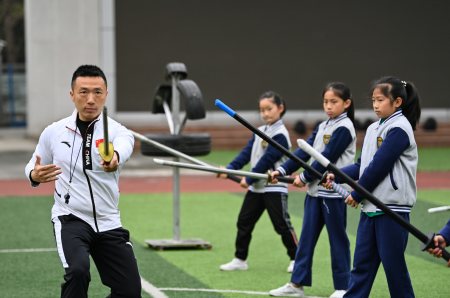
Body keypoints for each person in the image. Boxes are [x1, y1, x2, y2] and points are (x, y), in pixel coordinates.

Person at [25, 65, 141, 297]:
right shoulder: (54, 132)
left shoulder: (119, 132)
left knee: (129, 291)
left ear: (106, 94)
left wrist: (115, 158)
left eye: (97, 92)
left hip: (108, 221)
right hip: (70, 218)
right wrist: (34, 175)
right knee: (78, 272)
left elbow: (123, 148)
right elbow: (33, 164)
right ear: (72, 95)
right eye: (83, 92)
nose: (90, 99)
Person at [324, 76, 421, 297]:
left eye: (380, 100)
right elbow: (362, 166)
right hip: (371, 208)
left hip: (392, 209)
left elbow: (379, 167)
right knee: (361, 268)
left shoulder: (400, 128)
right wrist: (335, 176)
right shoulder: (373, 128)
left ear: (397, 102)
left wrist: (357, 194)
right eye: (373, 100)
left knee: (394, 269)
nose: (375, 105)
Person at [269, 82, 356, 298]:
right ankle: (296, 284)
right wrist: (281, 169)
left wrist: (304, 176)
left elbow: (326, 159)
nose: (328, 106)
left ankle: (343, 287)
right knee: (306, 239)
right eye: (326, 102)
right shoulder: (324, 125)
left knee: (337, 240)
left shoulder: (344, 128)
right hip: (314, 193)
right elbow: (304, 152)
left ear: (346, 104)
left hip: (334, 194)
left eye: (333, 102)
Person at [218, 91, 298, 272]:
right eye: (262, 110)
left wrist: (249, 178)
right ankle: (240, 259)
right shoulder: (260, 131)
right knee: (244, 221)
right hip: (256, 188)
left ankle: (296, 258)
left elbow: (267, 161)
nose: (265, 113)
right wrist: (230, 169)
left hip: (274, 187)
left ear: (280, 108)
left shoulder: (280, 135)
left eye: (269, 109)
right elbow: (246, 153)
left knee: (282, 224)